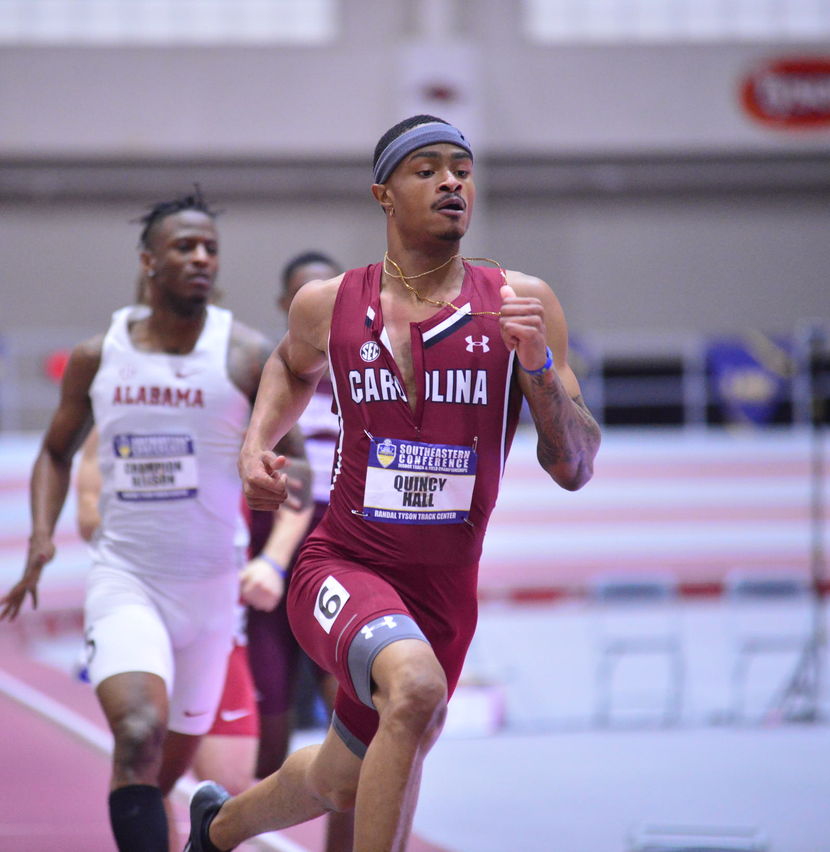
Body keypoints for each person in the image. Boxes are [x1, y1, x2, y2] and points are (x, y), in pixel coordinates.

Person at [186, 115, 602, 852]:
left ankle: (216, 829)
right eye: (428, 169)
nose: (451, 183)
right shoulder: (329, 303)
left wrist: (537, 364)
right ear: (384, 194)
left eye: (462, 170)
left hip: (444, 593)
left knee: (344, 778)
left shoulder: (519, 302)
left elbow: (574, 465)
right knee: (414, 687)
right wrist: (256, 445)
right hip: (342, 564)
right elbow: (289, 364)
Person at [0, 190, 312, 852]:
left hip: (211, 595)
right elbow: (54, 452)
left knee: (162, 774)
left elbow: (302, 468)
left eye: (210, 248)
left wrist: (273, 480)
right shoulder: (99, 355)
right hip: (127, 580)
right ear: (148, 260)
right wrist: (40, 539)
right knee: (138, 734)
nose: (201, 258)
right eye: (184, 247)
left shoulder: (245, 354)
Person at [75, 426, 263, 801]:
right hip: (147, 610)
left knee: (230, 786)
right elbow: (87, 515)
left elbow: (297, 482)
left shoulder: (231, 412)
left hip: (218, 624)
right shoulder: (115, 419)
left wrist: (273, 561)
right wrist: (158, 517)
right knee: (146, 756)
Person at [245, 251, 354, 852]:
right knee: (270, 733)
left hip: (343, 554)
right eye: (302, 296)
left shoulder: (373, 370)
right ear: (288, 307)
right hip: (274, 556)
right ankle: (247, 834)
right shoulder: (265, 374)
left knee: (355, 730)